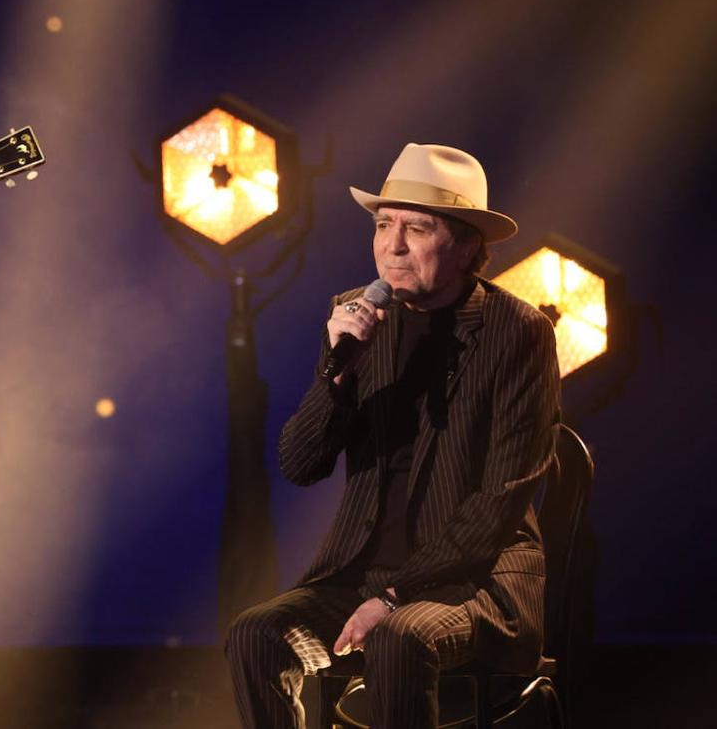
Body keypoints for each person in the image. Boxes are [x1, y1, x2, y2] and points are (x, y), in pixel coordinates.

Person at [225, 143, 561, 728]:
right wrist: (337, 372)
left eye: (417, 227)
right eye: (384, 225)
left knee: (399, 639)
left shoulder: (518, 332)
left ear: (464, 246)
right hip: (361, 575)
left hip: (475, 582)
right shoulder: (355, 319)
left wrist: (395, 597)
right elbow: (300, 463)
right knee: (256, 633)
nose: (393, 245)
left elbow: (499, 500)